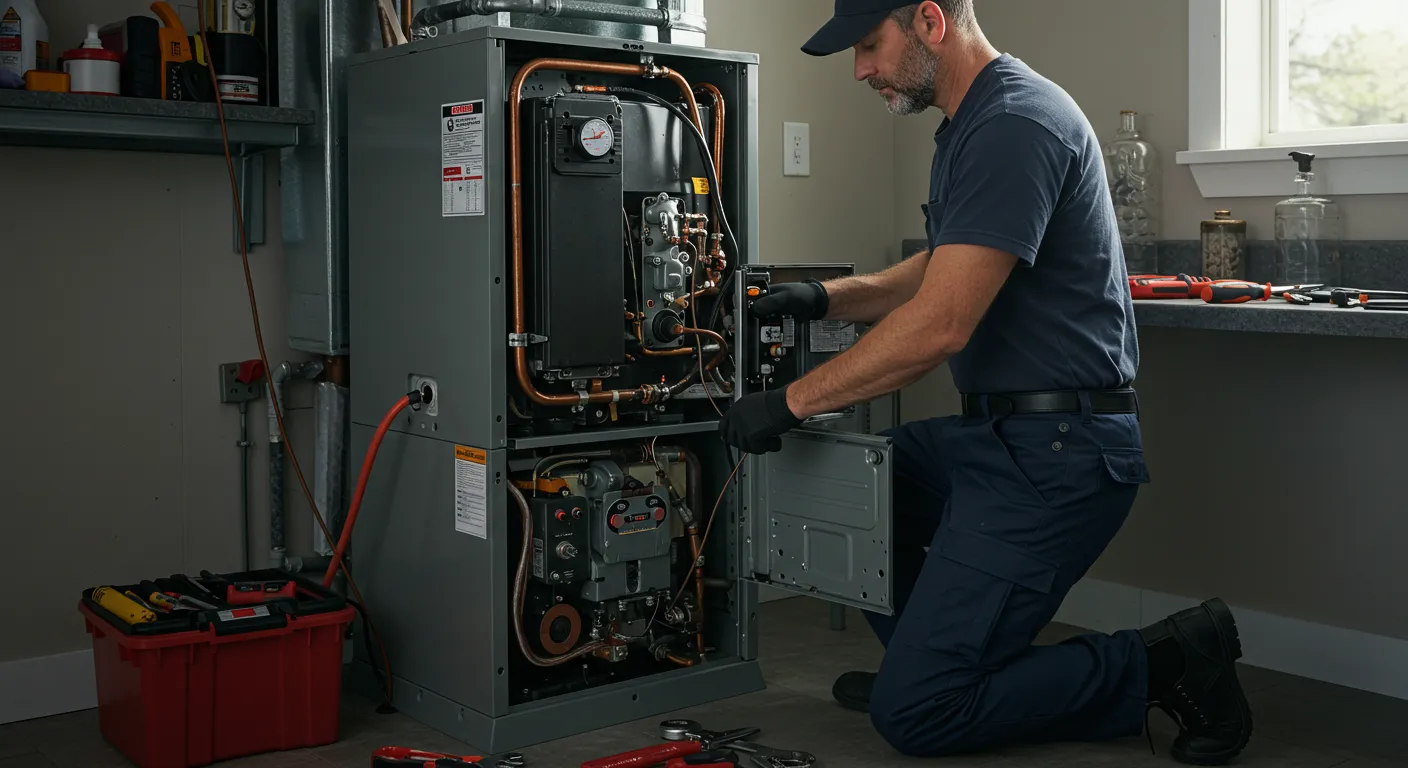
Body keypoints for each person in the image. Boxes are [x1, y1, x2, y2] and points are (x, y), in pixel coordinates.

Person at [716, 1, 1254, 764]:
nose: (861, 69)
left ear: (931, 21)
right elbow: (948, 262)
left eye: (870, 45)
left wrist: (791, 400)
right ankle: (935, 667)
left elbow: (941, 324)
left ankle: (1166, 660)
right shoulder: (973, 121)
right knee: (870, 490)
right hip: (998, 437)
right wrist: (831, 297)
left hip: (1060, 455)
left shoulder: (1014, 124)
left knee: (919, 716)